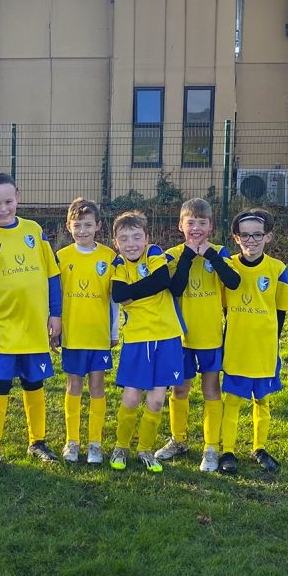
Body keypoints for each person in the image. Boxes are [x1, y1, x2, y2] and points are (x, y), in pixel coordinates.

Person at [0, 173, 62, 472]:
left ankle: (37, 441)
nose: (3, 208)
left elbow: (52, 275)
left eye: (8, 201)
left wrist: (56, 313)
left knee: (33, 384)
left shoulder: (34, 231)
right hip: (3, 331)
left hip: (35, 327)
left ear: (17, 198)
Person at [155, 197, 240, 472]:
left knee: (211, 390)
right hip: (180, 338)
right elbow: (176, 288)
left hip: (210, 337)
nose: (196, 227)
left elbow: (233, 282)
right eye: (190, 222)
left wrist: (210, 256)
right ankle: (178, 440)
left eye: (202, 223)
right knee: (180, 389)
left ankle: (211, 447)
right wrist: (190, 255)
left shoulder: (220, 253)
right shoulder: (172, 254)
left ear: (211, 226)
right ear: (181, 225)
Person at [218, 209, 288, 474]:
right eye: (245, 235)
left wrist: (273, 343)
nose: (251, 241)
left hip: (264, 348)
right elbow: (224, 306)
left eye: (257, 235)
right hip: (238, 347)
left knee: (262, 400)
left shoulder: (277, 270)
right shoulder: (229, 269)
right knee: (233, 400)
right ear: (236, 238)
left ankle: (259, 447)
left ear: (268, 237)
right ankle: (228, 451)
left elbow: (281, 311)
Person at [109, 210, 184, 473]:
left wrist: (134, 293)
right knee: (131, 398)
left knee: (156, 401)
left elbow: (162, 280)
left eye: (137, 237)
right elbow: (119, 294)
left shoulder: (153, 252)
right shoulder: (119, 264)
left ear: (146, 238)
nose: (132, 244)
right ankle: (121, 446)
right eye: (125, 239)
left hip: (167, 338)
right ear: (116, 243)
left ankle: (145, 449)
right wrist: (145, 288)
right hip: (138, 339)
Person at [56, 198, 118, 465]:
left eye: (88, 225)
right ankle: (72, 441)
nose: (82, 230)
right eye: (77, 225)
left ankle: (95, 442)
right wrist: (54, 328)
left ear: (98, 226)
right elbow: (55, 298)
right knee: (73, 385)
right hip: (73, 334)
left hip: (99, 335)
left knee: (97, 386)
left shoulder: (109, 257)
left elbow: (114, 299)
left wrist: (114, 331)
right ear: (69, 226)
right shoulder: (62, 257)